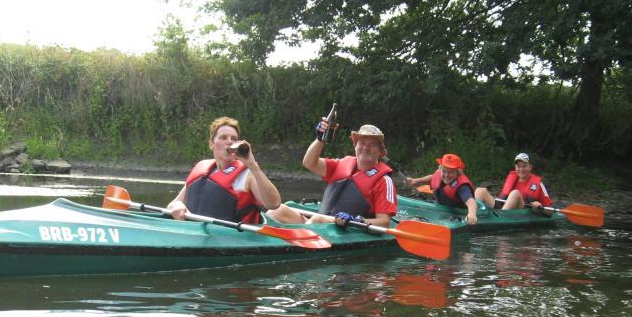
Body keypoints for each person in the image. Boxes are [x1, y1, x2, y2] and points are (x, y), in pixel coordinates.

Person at [267, 119, 397, 228]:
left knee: (318, 220)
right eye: (362, 143)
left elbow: (384, 222)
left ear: (380, 152)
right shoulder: (341, 165)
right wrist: (320, 139)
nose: (366, 148)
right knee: (277, 210)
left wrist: (357, 220)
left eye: (372, 145)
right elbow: (309, 163)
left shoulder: (384, 181)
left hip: (350, 229)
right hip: (321, 225)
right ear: (356, 146)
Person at [167, 116, 281, 223]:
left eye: (234, 138)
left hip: (234, 234)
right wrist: (177, 205)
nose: (230, 141)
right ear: (211, 144)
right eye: (223, 137)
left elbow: (274, 204)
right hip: (196, 231)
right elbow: (173, 204)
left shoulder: (248, 173)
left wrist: (253, 165)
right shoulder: (201, 168)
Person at [405, 153, 478, 225]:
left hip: (457, 215)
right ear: (440, 169)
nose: (446, 175)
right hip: (440, 209)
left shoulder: (462, 187)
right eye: (444, 171)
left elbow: (470, 201)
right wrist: (416, 181)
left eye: (451, 172)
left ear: (457, 172)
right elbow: (432, 178)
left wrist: (471, 214)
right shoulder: (440, 175)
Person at [474, 152, 553, 216]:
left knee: (515, 193)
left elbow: (550, 211)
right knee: (480, 191)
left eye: (524, 166)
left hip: (523, 212)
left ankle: (500, 217)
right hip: (504, 208)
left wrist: (540, 207)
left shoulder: (538, 184)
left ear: (530, 167)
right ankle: (475, 215)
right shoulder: (513, 178)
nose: (521, 169)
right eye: (518, 166)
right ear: (515, 167)